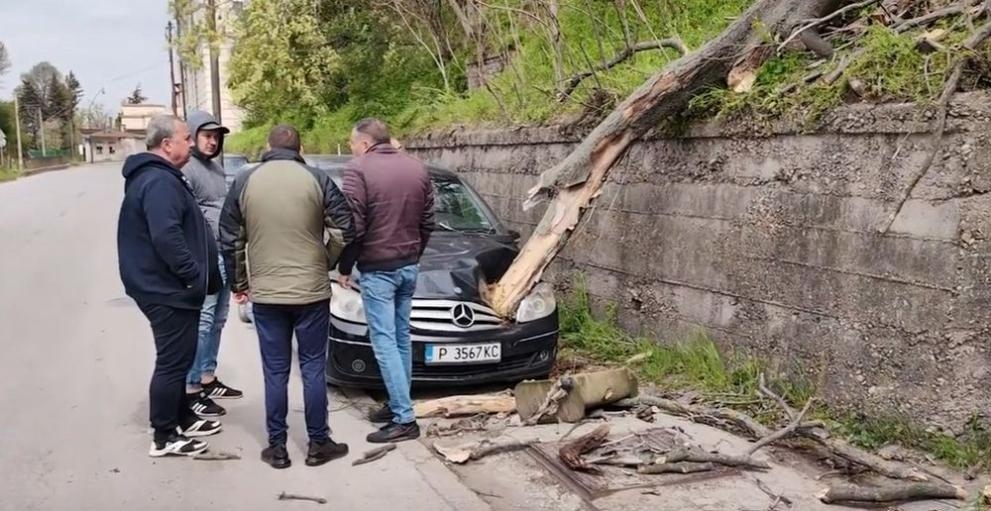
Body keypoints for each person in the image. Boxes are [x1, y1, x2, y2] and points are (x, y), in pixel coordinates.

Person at [219, 124, 355, 469]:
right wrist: (325, 261)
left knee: (275, 372)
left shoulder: (245, 181)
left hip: (267, 294)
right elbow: (344, 229)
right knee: (312, 368)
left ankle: (277, 447)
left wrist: (239, 283)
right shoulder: (317, 179)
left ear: (268, 147)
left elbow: (230, 238)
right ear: (300, 148)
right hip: (311, 292)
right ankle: (318, 443)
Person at [117, 115, 223, 457]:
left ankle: (181, 416)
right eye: (186, 138)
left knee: (181, 356)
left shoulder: (162, 177)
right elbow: (167, 237)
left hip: (169, 287)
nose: (191, 144)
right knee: (173, 361)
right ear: (166, 144)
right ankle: (164, 435)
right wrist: (193, 275)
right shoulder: (158, 181)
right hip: (166, 288)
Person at [338, 118, 435, 444]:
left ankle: (405, 419)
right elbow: (428, 220)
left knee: (384, 342)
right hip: (408, 265)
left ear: (365, 143)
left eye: (353, 143)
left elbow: (353, 225)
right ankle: (397, 404)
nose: (352, 149)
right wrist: (414, 254)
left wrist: (345, 265)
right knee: (401, 338)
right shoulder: (417, 167)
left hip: (378, 269)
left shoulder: (358, 169)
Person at [181, 111, 242, 420]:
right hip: (205, 255)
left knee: (218, 319)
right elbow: (190, 215)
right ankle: (191, 388)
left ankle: (207, 376)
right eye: (207, 135)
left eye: (216, 136)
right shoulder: (187, 169)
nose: (213, 141)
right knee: (203, 321)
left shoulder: (216, 168)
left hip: (225, 251)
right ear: (192, 136)